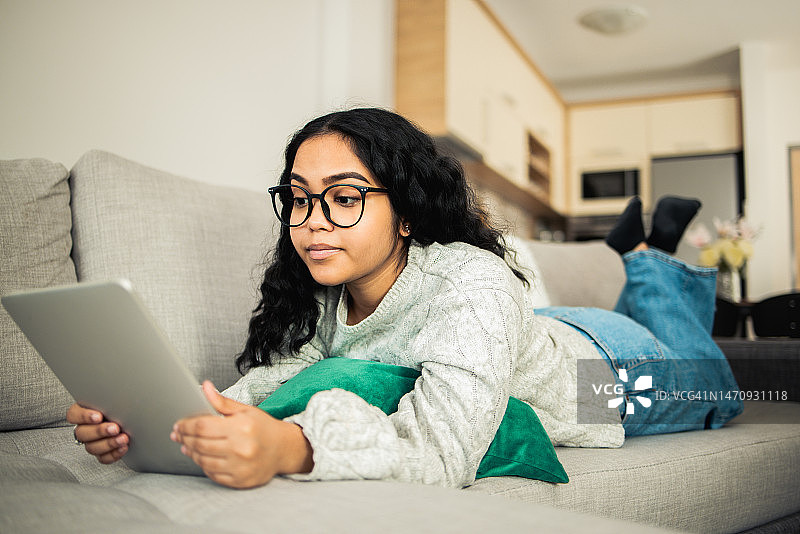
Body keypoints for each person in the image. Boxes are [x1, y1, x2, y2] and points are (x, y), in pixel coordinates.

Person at [67, 108, 743, 490]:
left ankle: (643, 259)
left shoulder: (471, 282)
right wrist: (163, 418)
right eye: (298, 198)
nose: (311, 221)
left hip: (596, 372)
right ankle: (637, 256)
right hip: (531, 330)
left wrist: (293, 448)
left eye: (343, 198)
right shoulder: (319, 292)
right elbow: (279, 380)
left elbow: (444, 452)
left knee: (715, 383)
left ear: (410, 214)